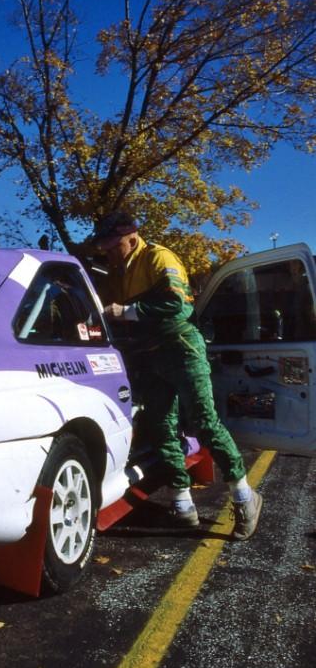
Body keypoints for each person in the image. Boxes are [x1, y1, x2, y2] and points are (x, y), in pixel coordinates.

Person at [91, 210, 262, 540]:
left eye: (113, 246)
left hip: (183, 348)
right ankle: (183, 504)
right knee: (160, 426)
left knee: (204, 422)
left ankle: (244, 496)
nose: (108, 252)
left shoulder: (159, 257)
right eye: (105, 248)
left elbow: (178, 305)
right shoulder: (117, 269)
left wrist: (124, 312)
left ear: (132, 237)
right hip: (150, 355)